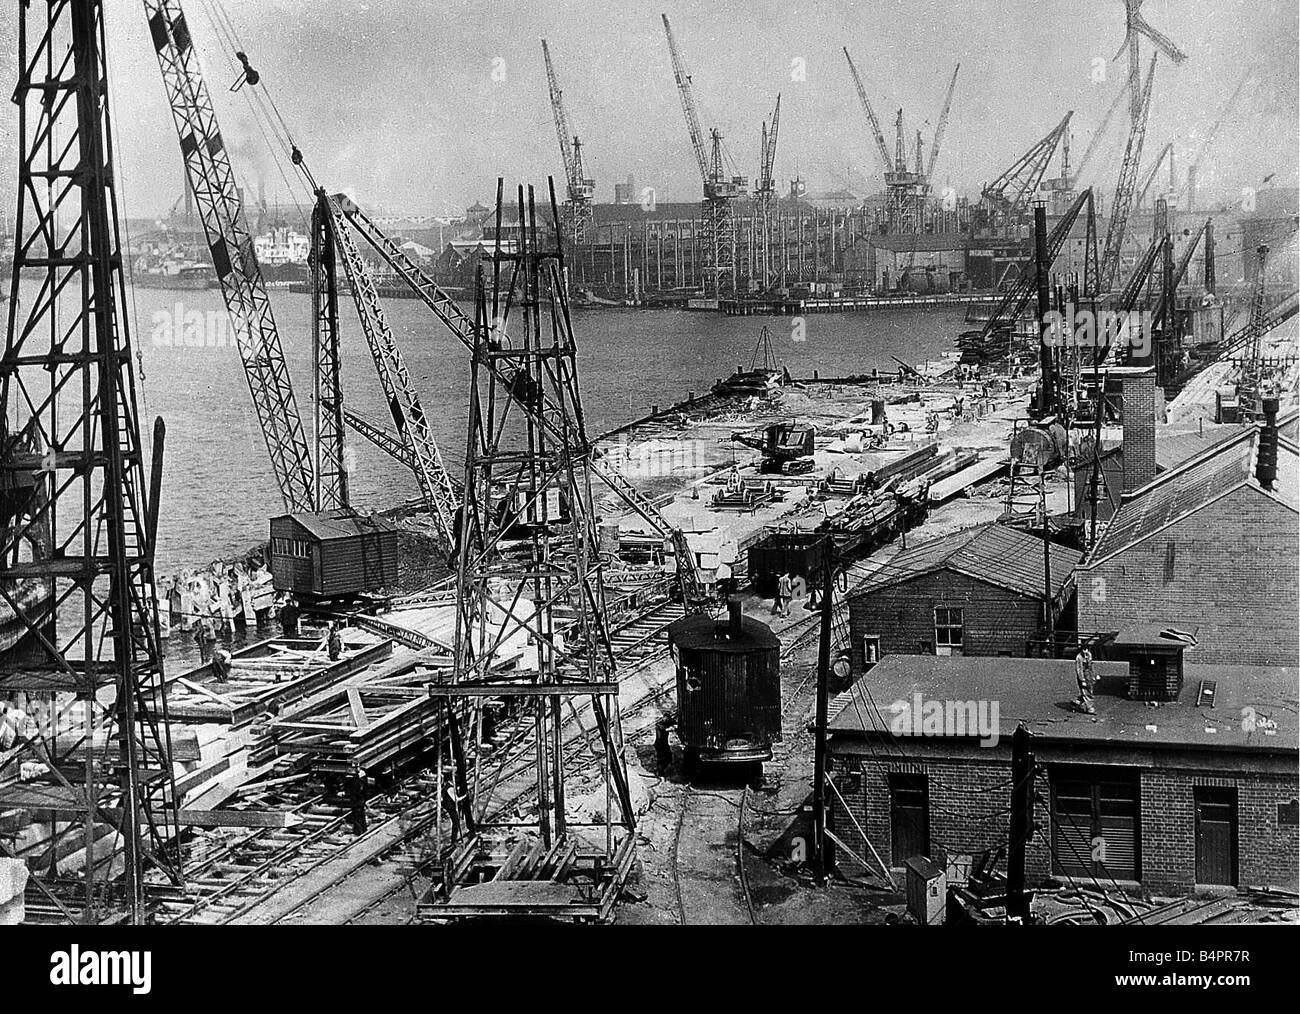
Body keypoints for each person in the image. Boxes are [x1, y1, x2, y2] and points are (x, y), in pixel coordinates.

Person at [1073, 645, 1096, 715]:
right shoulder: (1079, 657)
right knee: (1086, 692)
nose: (1085, 651)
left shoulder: (1089, 655)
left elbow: (1091, 666)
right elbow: (1079, 669)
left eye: (1086, 649)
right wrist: (1082, 680)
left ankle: (1076, 702)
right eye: (1084, 650)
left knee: (1090, 690)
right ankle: (1089, 708)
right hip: (1083, 675)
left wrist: (1093, 676)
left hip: (1089, 675)